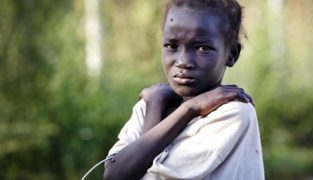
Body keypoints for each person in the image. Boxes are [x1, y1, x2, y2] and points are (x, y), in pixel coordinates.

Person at [104, 0, 264, 179]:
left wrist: (190, 109)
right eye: (172, 46)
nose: (183, 61)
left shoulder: (234, 113)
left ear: (232, 54)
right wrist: (156, 105)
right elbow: (113, 174)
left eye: (202, 48)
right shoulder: (150, 105)